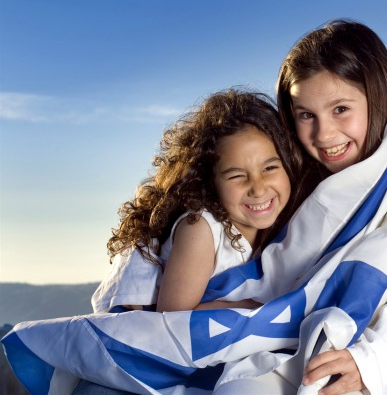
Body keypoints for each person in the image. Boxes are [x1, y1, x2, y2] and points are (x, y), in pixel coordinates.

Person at [215, 20, 387, 395]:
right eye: (306, 115)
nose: (323, 134)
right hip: (273, 350)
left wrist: (367, 361)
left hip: (356, 360)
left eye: (340, 109)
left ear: (377, 96)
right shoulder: (291, 176)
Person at [74, 89, 302, 394]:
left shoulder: (280, 227)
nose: (258, 188)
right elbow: (174, 317)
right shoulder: (200, 228)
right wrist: (253, 307)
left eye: (270, 168)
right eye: (237, 176)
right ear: (210, 182)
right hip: (138, 350)